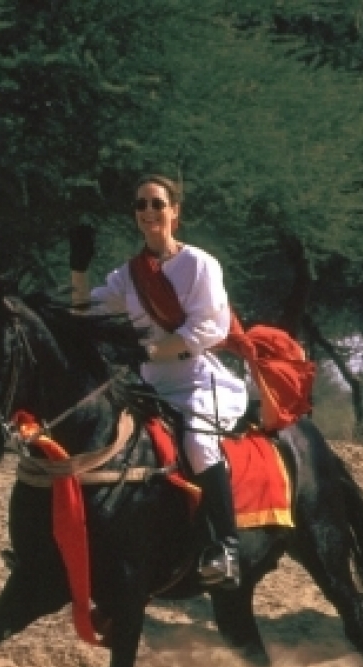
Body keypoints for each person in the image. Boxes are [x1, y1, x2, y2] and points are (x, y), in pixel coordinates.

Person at [69, 174, 247, 588]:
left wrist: (148, 351)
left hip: (197, 382)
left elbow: (208, 330)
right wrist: (78, 269)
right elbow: (85, 316)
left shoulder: (199, 264)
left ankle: (227, 546)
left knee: (197, 444)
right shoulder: (127, 275)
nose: (149, 212)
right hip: (148, 386)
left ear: (175, 211)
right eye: (141, 205)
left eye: (157, 204)